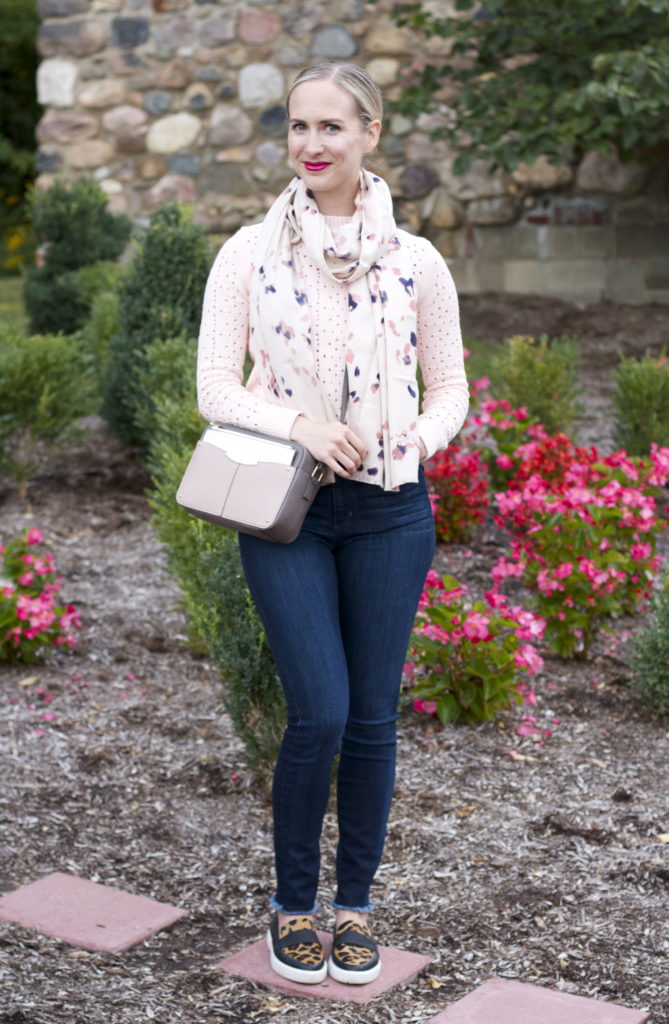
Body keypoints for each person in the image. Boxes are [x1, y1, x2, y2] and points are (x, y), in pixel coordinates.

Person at [197, 61, 469, 986]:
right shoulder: (248, 252)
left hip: (392, 511)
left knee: (372, 719)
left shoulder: (416, 261)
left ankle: (353, 909)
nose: (310, 145)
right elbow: (214, 389)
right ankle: (291, 906)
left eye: (330, 128)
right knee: (317, 709)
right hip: (289, 507)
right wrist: (303, 424)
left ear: (370, 136)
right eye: (297, 127)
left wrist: (412, 445)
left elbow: (451, 387)